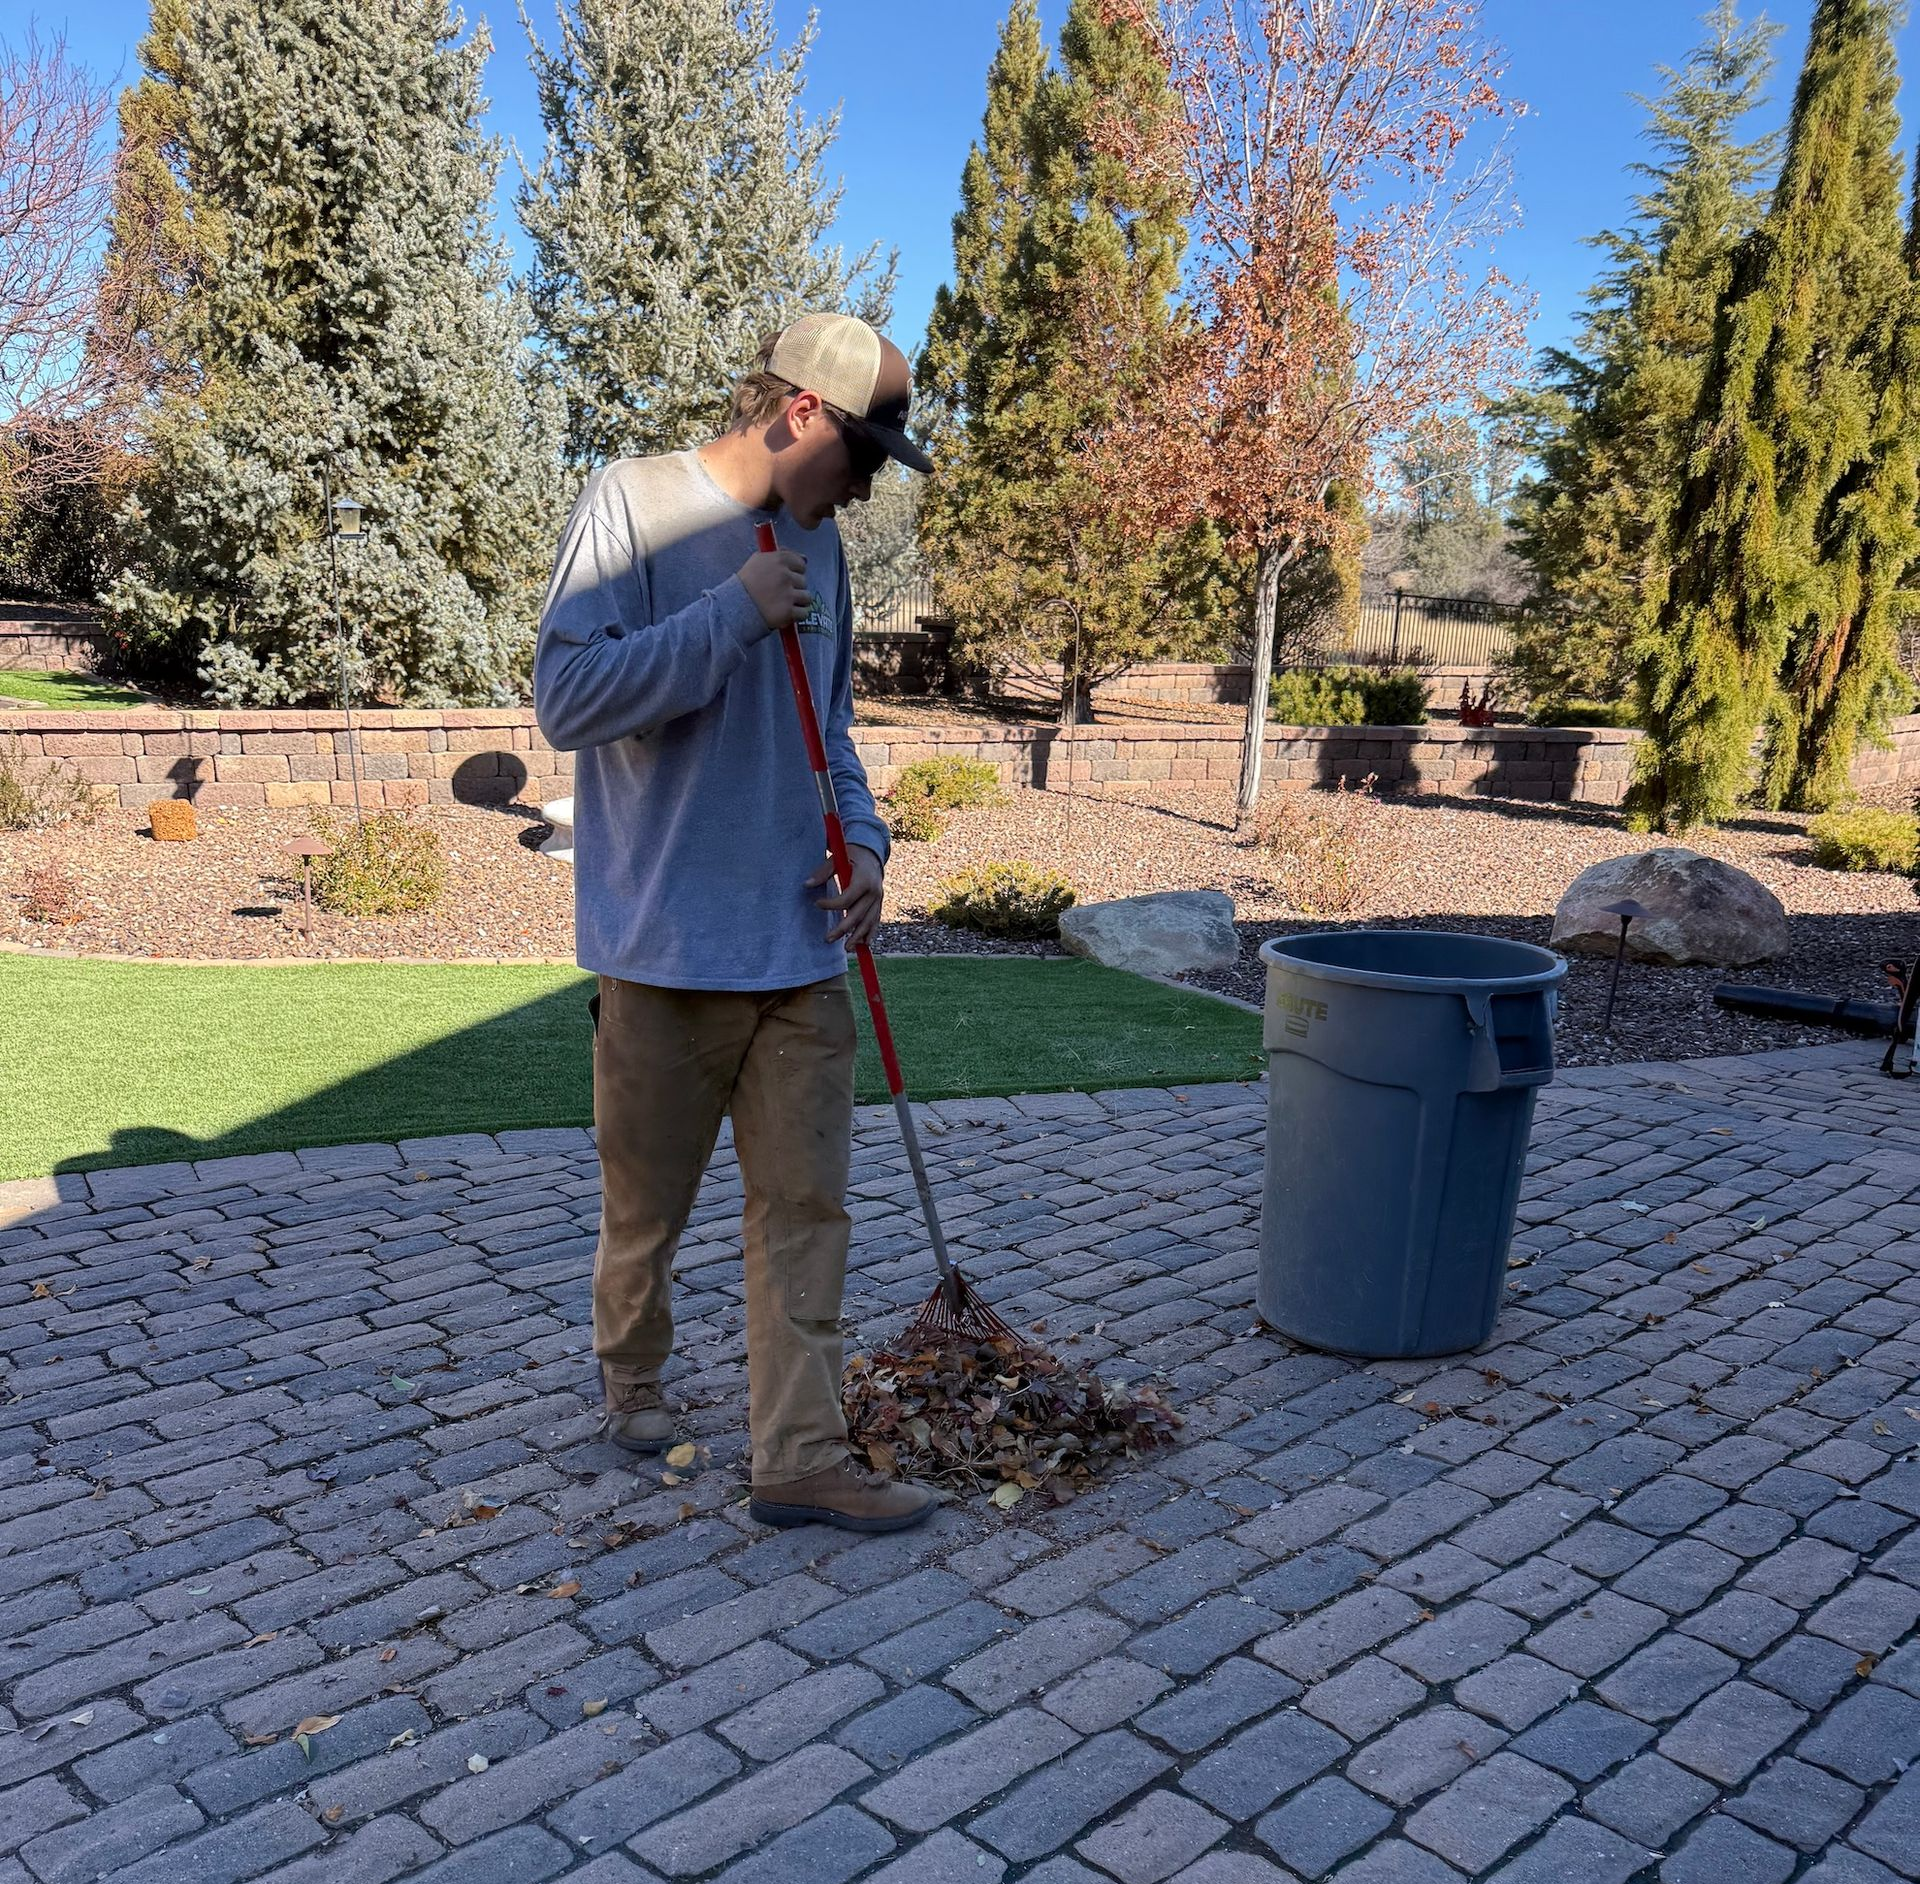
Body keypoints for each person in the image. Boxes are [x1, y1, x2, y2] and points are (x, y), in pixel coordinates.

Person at [532, 312, 938, 1533]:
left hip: (804, 948)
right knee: (643, 1214)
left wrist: (866, 847)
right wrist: (729, 616)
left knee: (807, 1214)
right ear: (801, 412)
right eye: (864, 455)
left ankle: (798, 1456)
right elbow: (567, 699)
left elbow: (837, 729)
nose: (866, 490)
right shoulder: (632, 505)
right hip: (662, 950)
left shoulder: (824, 552)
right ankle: (632, 1377)